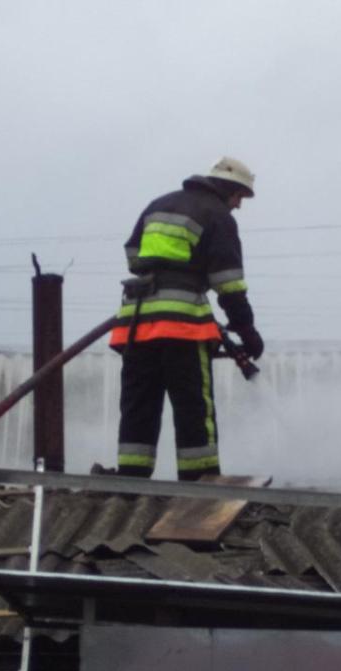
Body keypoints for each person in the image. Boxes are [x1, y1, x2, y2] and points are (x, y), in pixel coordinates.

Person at [109, 156, 264, 481]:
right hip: (182, 326)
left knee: (139, 406)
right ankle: (201, 482)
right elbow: (229, 282)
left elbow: (133, 254)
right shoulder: (217, 215)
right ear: (227, 188)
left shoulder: (158, 205)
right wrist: (247, 329)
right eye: (239, 197)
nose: (238, 206)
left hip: (137, 324)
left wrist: (168, 268)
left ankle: (131, 482)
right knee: (193, 406)